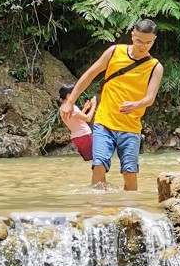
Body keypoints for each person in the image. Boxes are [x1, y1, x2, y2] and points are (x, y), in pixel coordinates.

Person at [67, 18, 164, 193]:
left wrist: (137, 104)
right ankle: (98, 209)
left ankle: (130, 212)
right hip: (104, 122)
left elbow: (150, 98)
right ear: (132, 35)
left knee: (129, 172)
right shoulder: (114, 52)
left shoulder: (155, 66)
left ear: (154, 40)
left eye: (148, 42)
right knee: (99, 165)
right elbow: (90, 75)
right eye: (139, 41)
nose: (143, 46)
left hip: (131, 127)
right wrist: (70, 101)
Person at [58, 82, 98, 164]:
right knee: (95, 160)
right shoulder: (72, 107)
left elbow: (77, 119)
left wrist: (85, 108)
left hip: (76, 137)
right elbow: (88, 118)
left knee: (88, 161)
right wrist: (94, 105)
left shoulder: (62, 108)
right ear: (69, 96)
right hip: (85, 135)